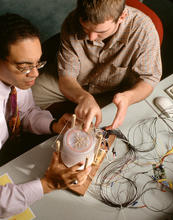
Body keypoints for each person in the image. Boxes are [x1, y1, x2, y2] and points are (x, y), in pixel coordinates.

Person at [0, 13, 91, 218]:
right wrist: (48, 184)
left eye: (37, 64)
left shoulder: (17, 80)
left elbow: (26, 112)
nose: (35, 75)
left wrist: (53, 125)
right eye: (23, 67)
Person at [32, 0, 162, 132]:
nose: (91, 37)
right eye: (86, 29)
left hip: (113, 92)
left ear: (122, 17)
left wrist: (129, 97)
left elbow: (149, 79)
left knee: (96, 133)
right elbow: (67, 76)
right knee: (24, 97)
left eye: (100, 32)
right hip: (74, 81)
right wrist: (83, 97)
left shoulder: (144, 30)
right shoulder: (72, 21)